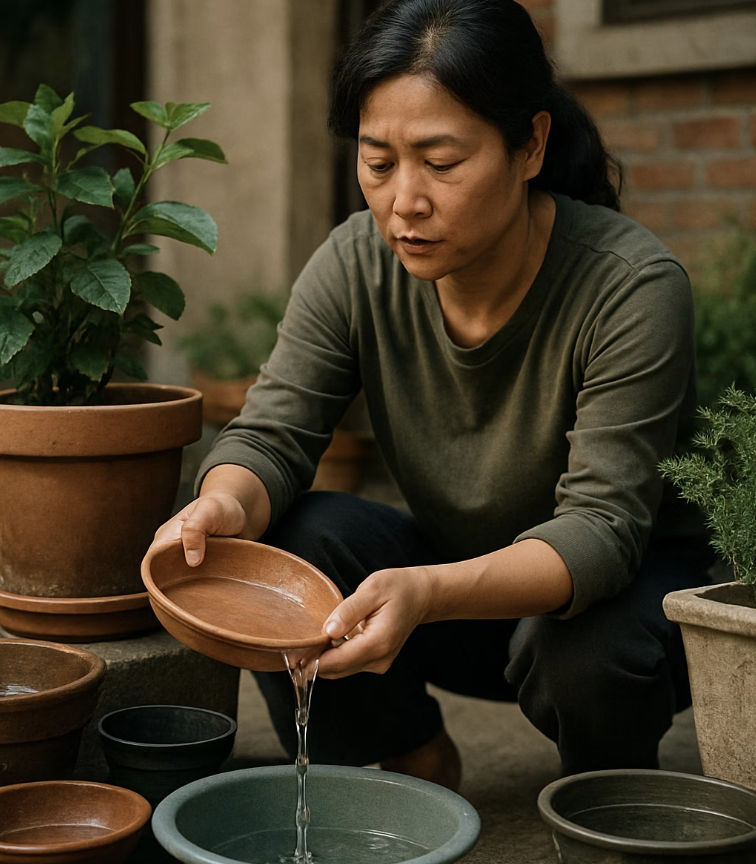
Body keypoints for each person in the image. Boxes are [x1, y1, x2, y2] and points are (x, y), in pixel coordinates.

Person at [152, 0, 711, 791]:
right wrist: (219, 508)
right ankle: (408, 757)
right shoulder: (355, 263)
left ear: (530, 146)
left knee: (583, 649)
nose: (403, 201)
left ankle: (609, 796)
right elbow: (271, 437)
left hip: (617, 613)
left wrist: (428, 593)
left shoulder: (629, 287)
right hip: (459, 599)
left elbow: (600, 534)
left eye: (441, 164)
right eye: (378, 163)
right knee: (286, 541)